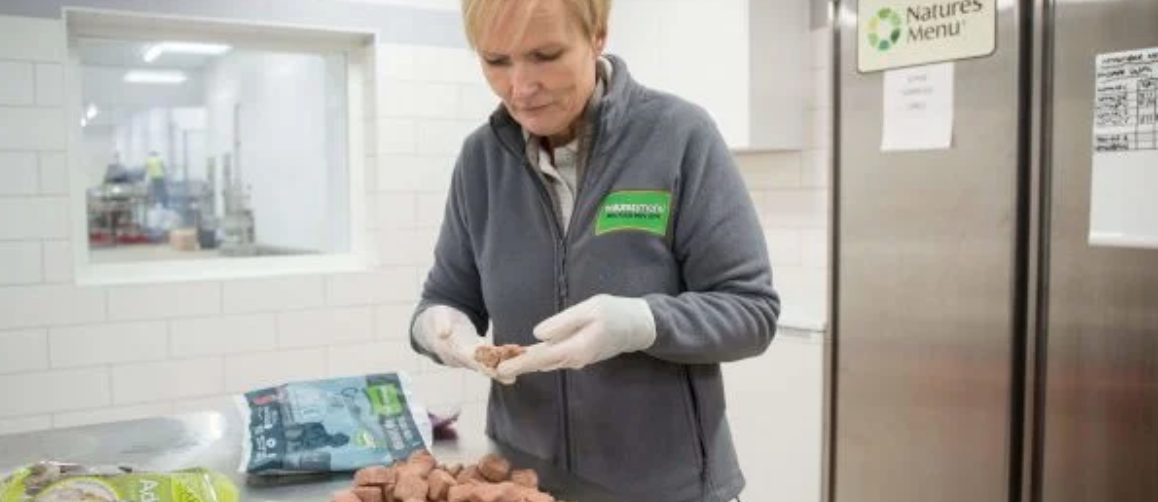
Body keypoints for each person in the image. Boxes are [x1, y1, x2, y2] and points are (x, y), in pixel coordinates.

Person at [409, 1, 780, 501]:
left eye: (545, 54)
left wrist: (641, 323)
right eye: (496, 61)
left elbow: (751, 311)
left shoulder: (678, 136)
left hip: (666, 487)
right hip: (525, 484)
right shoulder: (481, 160)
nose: (520, 87)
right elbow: (444, 296)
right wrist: (437, 328)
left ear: (597, 34)